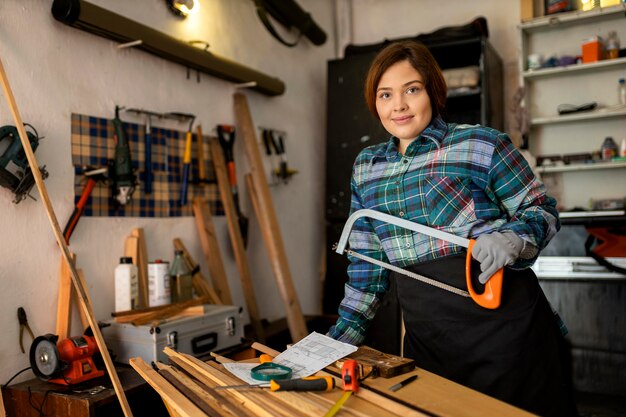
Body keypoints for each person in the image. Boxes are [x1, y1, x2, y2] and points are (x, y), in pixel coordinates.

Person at [327, 40, 577, 417]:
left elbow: (541, 209)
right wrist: (334, 345)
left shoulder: (480, 143)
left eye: (411, 89)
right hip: (431, 344)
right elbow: (366, 274)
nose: (399, 105)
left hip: (508, 335)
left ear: (433, 90)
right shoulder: (366, 168)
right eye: (385, 94)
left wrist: (513, 238)